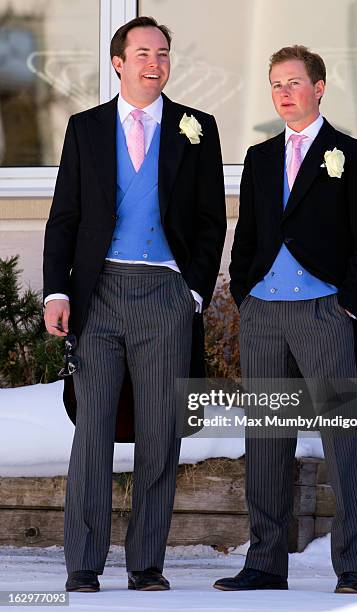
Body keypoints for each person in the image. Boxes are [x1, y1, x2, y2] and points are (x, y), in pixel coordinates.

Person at [43, 16, 226, 593]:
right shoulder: (85, 128)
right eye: (143, 51)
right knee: (92, 433)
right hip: (98, 296)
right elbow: (65, 217)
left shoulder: (198, 128)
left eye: (164, 53)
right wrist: (57, 290)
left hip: (164, 294)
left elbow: (209, 220)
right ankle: (84, 563)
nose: (156, 61)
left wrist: (191, 292)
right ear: (118, 62)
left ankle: (147, 564)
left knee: (158, 436)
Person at [214, 45, 357, 594]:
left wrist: (348, 303)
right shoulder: (261, 158)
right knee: (267, 439)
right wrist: (244, 293)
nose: (284, 92)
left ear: (319, 87)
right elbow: (247, 236)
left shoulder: (354, 156)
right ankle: (266, 563)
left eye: (294, 82)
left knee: (341, 438)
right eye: (275, 84)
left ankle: (351, 567)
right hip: (265, 315)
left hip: (324, 314)